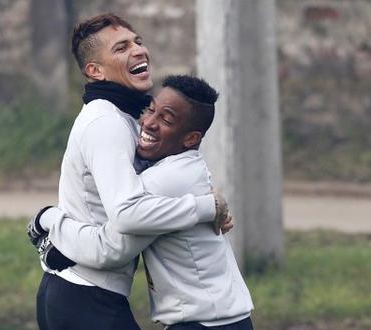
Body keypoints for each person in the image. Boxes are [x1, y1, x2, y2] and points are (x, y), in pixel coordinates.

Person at [27, 14, 231, 330]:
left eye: (137, 41)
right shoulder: (106, 123)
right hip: (86, 297)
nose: (138, 50)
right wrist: (206, 207)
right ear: (94, 71)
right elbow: (128, 215)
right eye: (121, 48)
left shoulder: (125, 115)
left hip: (79, 293)